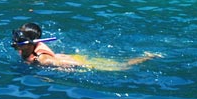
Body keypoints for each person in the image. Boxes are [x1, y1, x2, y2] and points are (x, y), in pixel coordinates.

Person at [12, 22, 159, 70]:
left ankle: (149, 56)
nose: (15, 42)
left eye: (19, 41)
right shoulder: (24, 48)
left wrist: (77, 68)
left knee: (121, 66)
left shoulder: (42, 59)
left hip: (75, 60)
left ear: (31, 43)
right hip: (65, 56)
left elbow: (73, 64)